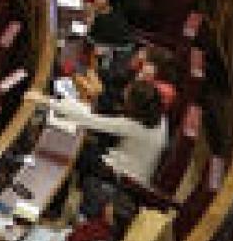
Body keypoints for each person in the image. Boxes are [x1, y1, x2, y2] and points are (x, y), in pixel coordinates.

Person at [38, 79, 166, 186]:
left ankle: (51, 190)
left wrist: (46, 101)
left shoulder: (134, 126)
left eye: (127, 98)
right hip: (132, 169)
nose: (123, 98)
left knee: (67, 147)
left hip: (122, 176)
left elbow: (89, 120)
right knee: (80, 142)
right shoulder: (161, 119)